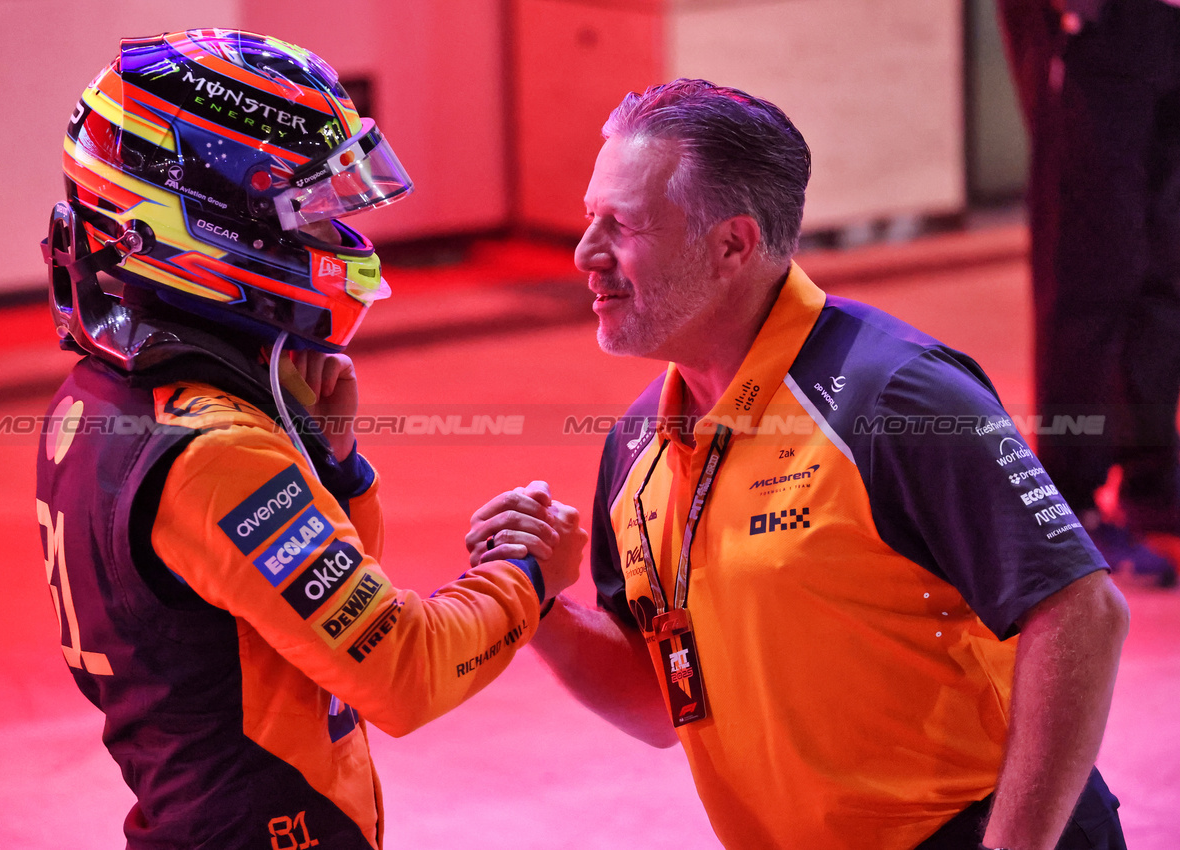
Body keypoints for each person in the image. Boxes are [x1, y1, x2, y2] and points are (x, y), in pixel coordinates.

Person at [467, 80, 1130, 849]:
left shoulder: (896, 396)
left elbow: (1083, 612)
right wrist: (541, 608)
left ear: (732, 245)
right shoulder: (635, 443)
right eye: (590, 219)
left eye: (622, 225)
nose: (586, 254)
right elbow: (660, 706)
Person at [33, 30, 583, 849]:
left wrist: (331, 466)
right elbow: (400, 675)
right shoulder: (215, 453)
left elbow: (304, 636)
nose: (342, 240)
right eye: (314, 212)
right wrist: (527, 573)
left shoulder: (101, 397)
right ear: (206, 226)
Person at [995, 0, 1180, 585]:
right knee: (1087, 267)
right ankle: (1070, 500)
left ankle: (1151, 472)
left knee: (1165, 260)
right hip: (1092, 20)